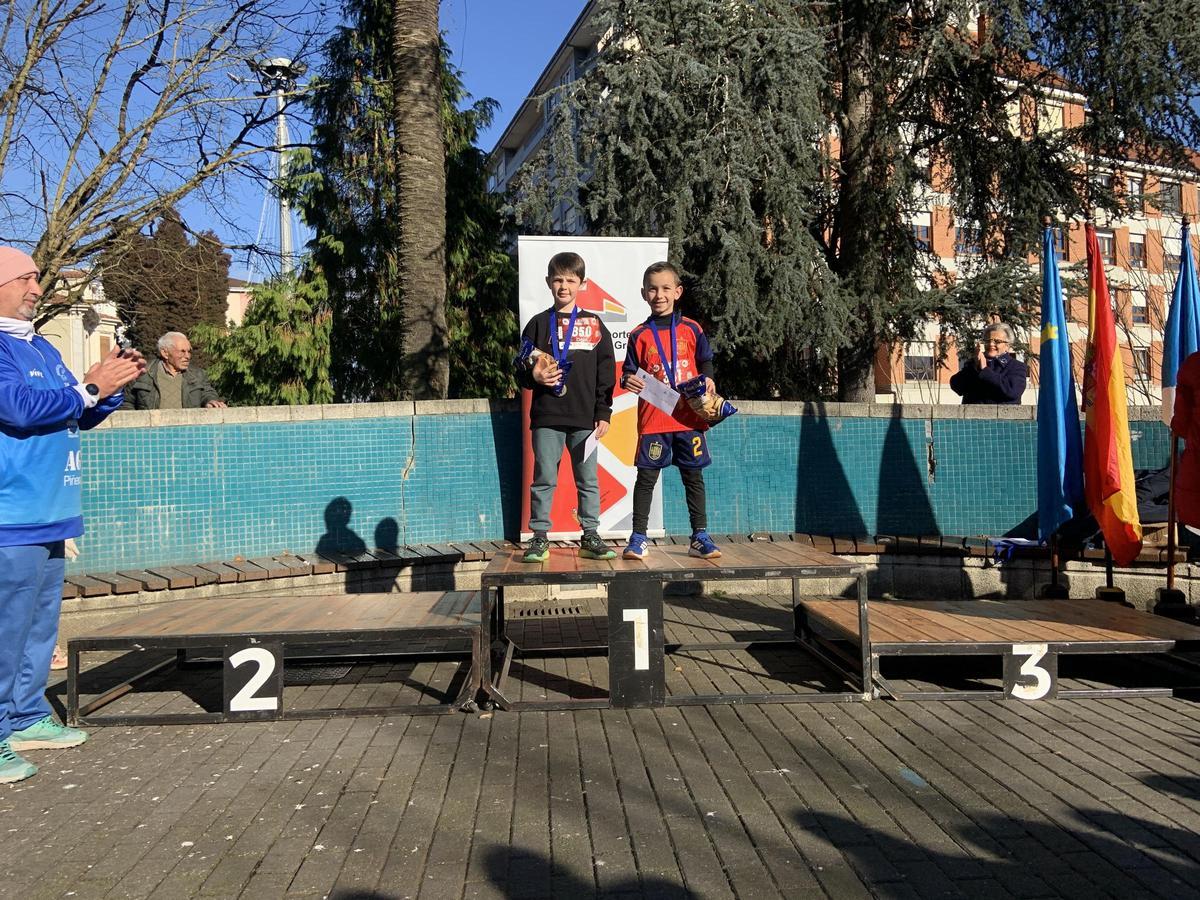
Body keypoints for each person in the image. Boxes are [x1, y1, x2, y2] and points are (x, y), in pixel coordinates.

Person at [0, 246, 145, 783]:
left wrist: (108, 389)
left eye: (37, 278)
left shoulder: (38, 345)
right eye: (26, 278)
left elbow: (75, 410)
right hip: (9, 513)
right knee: (4, 629)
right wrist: (87, 388)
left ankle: (25, 714)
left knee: (39, 627)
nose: (37, 288)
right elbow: (16, 408)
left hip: (51, 511)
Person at [517, 251, 616, 563]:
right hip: (547, 417)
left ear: (582, 284)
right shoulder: (536, 325)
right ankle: (540, 537)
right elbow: (519, 366)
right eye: (558, 280)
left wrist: (604, 412)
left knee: (588, 480)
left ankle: (590, 535)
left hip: (585, 418)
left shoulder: (595, 324)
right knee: (544, 478)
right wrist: (532, 375)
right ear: (548, 282)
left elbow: (606, 371)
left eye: (571, 280)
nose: (564, 286)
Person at [620, 261, 721, 560]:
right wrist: (628, 380)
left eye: (666, 288)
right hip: (654, 419)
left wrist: (710, 376)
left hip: (689, 417)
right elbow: (628, 372)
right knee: (647, 478)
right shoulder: (639, 335)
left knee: (693, 477)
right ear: (643, 293)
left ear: (678, 291)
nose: (659, 294)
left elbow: (705, 360)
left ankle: (699, 536)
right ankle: (638, 537)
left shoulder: (692, 328)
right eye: (653, 289)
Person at [126, 331, 226, 409]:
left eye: (189, 351)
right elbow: (126, 403)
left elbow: (207, 393)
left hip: (186, 432)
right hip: (152, 433)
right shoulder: (142, 373)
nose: (187, 356)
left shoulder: (198, 374)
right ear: (165, 353)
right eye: (182, 351)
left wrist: (210, 401)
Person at [949, 323, 1028, 404]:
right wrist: (975, 367)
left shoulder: (1016, 367)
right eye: (987, 341)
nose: (991, 344)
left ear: (1007, 346)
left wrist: (985, 370)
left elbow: (1012, 391)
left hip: (1003, 415)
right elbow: (956, 386)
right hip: (972, 415)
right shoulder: (974, 364)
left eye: (997, 341)